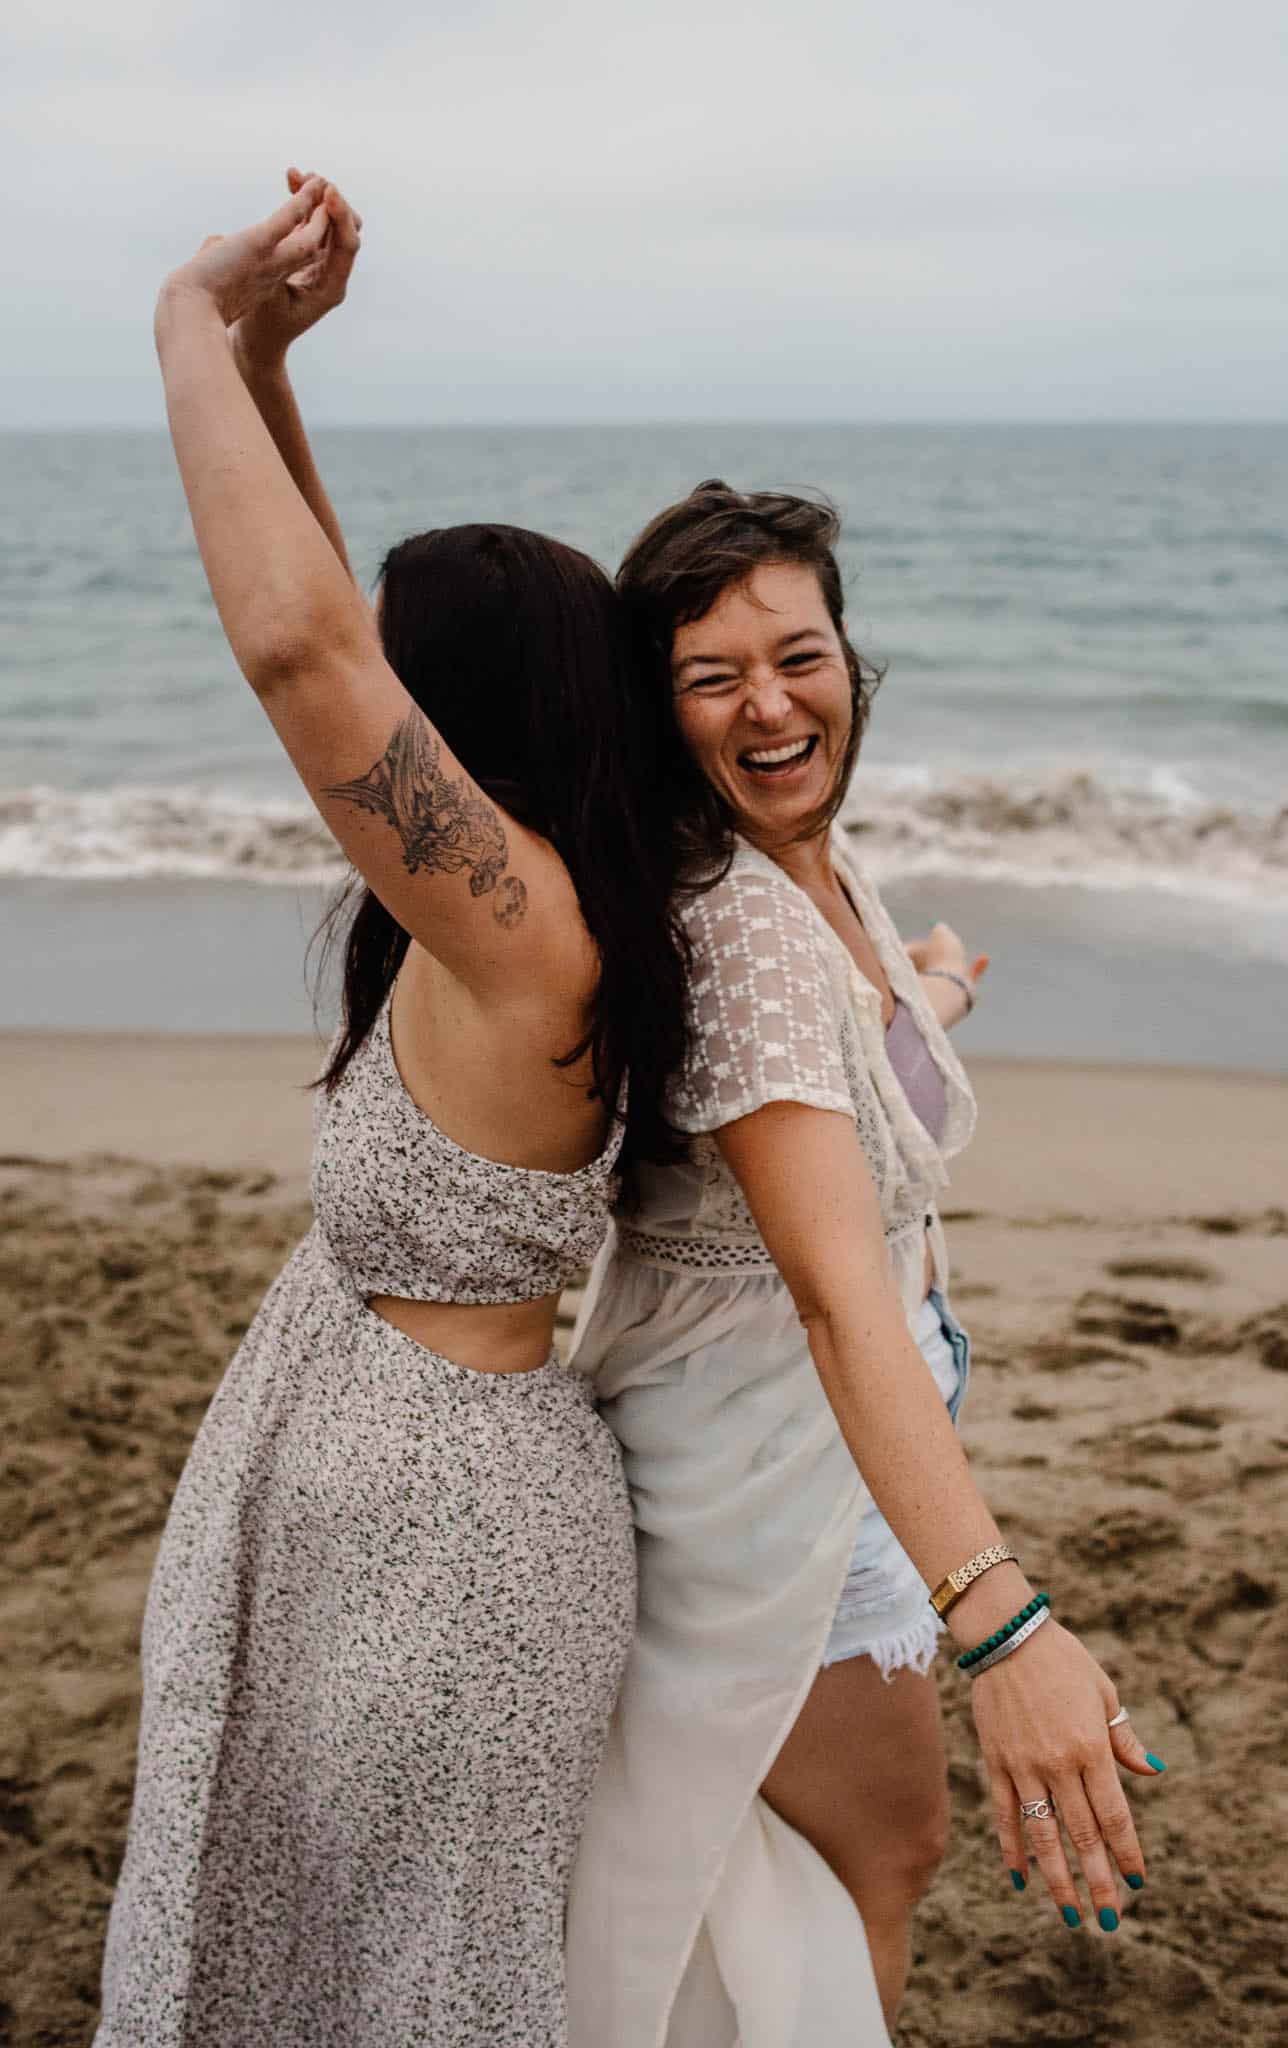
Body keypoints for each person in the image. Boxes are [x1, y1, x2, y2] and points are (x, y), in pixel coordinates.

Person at [96, 178, 694, 2048]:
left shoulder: (521, 937)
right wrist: (276, 369)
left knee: (395, 1994)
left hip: (449, 1560)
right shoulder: (505, 893)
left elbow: (306, 655)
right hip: (396, 1506)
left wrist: (188, 321)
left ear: (454, 715)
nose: (368, 679)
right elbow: (340, 631)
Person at [566, 482, 1165, 2045]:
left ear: (853, 662)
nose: (770, 702)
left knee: (797, 1875)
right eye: (712, 677)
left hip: (822, 1453)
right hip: (775, 1486)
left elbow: (814, 1093)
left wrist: (934, 994)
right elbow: (837, 1287)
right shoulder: (747, 923)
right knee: (870, 1861)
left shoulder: (808, 873)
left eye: (801, 653)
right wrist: (1007, 1625)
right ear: (659, 706)